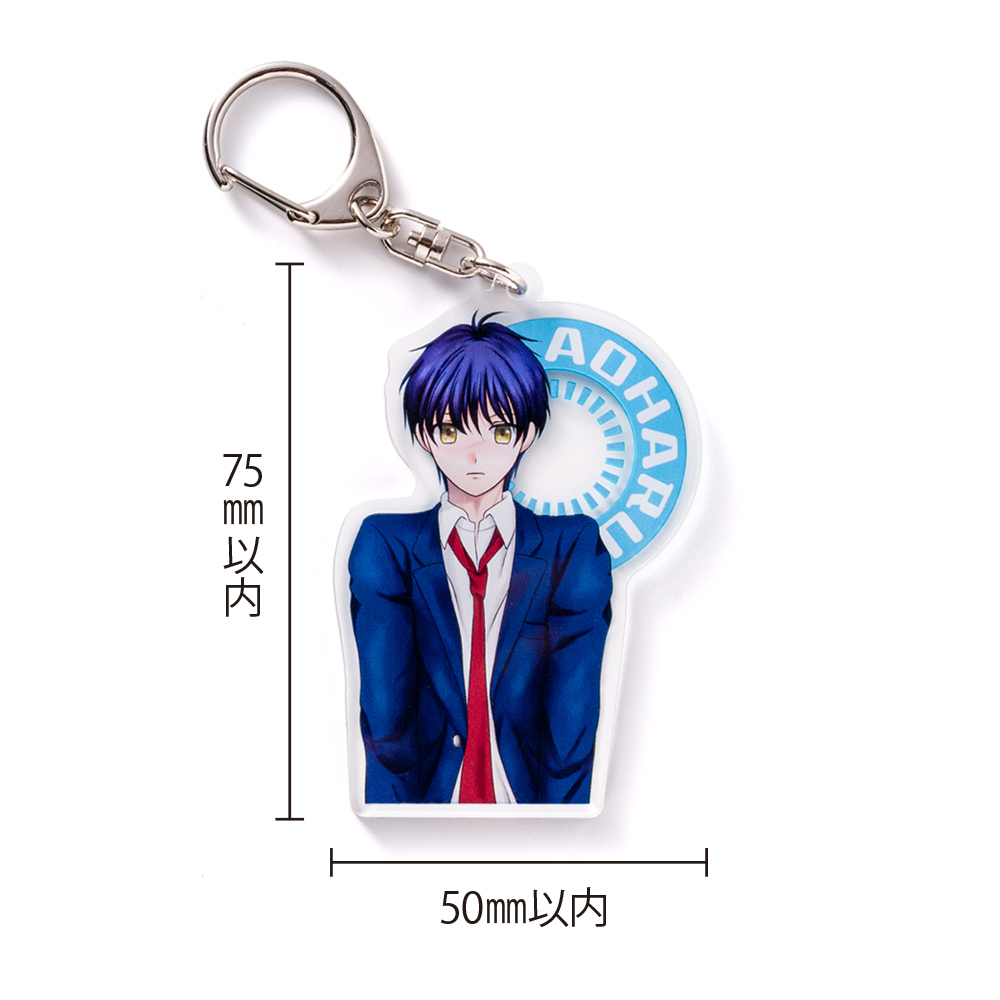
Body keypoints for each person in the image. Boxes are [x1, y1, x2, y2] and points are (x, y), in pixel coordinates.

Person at [348, 313, 612, 804]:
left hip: (531, 800)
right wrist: (398, 824)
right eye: (451, 432)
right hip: (428, 800)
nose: (475, 455)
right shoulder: (386, 544)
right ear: (423, 436)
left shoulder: (571, 547)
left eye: (500, 431)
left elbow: (574, 717)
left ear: (527, 435)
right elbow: (385, 714)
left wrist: (558, 826)